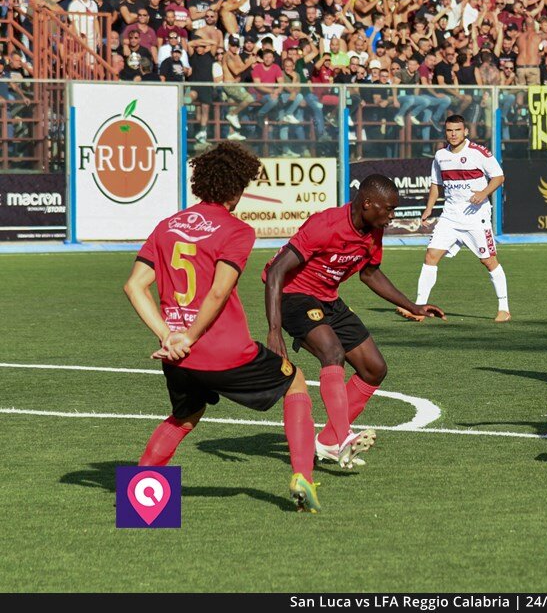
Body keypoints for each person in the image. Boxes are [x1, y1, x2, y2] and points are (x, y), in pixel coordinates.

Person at [123, 142, 321, 513]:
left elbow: (134, 285)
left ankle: (139, 507)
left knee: (184, 417)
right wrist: (191, 336)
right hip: (224, 352)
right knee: (294, 381)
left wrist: (169, 337)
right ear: (235, 189)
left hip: (178, 356)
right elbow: (218, 291)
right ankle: (302, 476)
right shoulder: (237, 231)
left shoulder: (168, 226)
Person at [264, 175, 445, 467]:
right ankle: (343, 437)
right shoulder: (325, 225)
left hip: (327, 299)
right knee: (333, 352)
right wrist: (275, 332)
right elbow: (275, 272)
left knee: (374, 369)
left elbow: (370, 273)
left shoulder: (374, 231)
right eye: (388, 209)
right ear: (368, 203)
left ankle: (326, 442)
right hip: (292, 296)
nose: (391, 216)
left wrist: (413, 306)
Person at [404, 114, 510, 322]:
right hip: (450, 216)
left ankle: (504, 308)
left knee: (488, 261)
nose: (453, 134)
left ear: (465, 131)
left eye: (457, 130)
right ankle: (419, 308)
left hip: (476, 217)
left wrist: (483, 193)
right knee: (430, 256)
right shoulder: (440, 155)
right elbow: (436, 185)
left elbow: (499, 176)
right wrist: (428, 209)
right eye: (450, 130)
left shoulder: (479, 153)